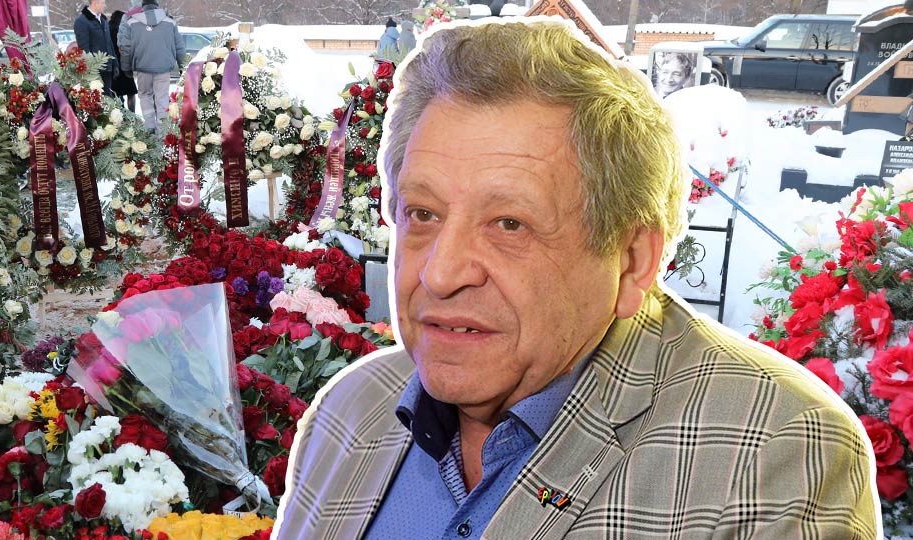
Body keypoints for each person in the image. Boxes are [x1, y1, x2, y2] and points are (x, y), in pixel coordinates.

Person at [274, 19, 880, 540]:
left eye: (509, 224)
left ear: (633, 261)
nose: (440, 272)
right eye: (422, 215)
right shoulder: (351, 409)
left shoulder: (773, 455)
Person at [118, 0, 183, 134]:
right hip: (163, 68)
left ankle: (149, 127)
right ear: (157, 6)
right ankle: (163, 132)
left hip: (142, 68)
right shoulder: (170, 22)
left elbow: (125, 47)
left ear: (143, 7)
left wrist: (126, 67)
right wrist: (183, 66)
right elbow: (179, 46)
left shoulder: (132, 22)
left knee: (145, 95)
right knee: (162, 97)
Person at [73, 0, 117, 96]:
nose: (104, 5)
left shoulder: (103, 19)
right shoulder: (82, 21)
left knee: (108, 98)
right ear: (95, 3)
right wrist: (92, 71)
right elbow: (84, 49)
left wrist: (115, 63)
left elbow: (109, 43)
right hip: (95, 71)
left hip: (107, 67)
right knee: (99, 100)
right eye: (103, 3)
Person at [108, 10, 137, 111]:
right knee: (131, 92)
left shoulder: (107, 29)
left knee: (117, 93)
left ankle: (120, 114)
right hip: (125, 64)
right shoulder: (124, 30)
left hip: (113, 65)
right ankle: (132, 114)